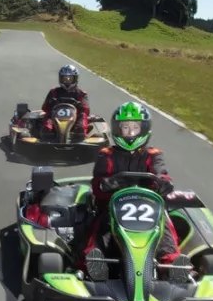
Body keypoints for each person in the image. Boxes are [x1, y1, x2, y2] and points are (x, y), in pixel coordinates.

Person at [72, 101, 183, 280]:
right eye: (125, 127)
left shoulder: (153, 154)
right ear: (118, 129)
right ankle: (91, 263)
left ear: (144, 129)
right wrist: (107, 184)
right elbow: (98, 184)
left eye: (135, 127)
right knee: (101, 225)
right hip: (113, 208)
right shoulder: (107, 154)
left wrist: (162, 182)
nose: (130, 132)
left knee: (163, 223)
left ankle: (172, 265)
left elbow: (161, 173)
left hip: (148, 208)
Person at [39, 64, 91, 138]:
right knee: (49, 114)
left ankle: (79, 132)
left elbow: (86, 109)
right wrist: (51, 103)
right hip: (55, 118)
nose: (67, 81)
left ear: (75, 79)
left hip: (74, 119)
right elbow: (45, 107)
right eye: (65, 78)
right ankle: (47, 132)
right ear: (60, 78)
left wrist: (80, 105)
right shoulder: (54, 92)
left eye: (70, 78)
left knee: (83, 115)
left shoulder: (81, 94)